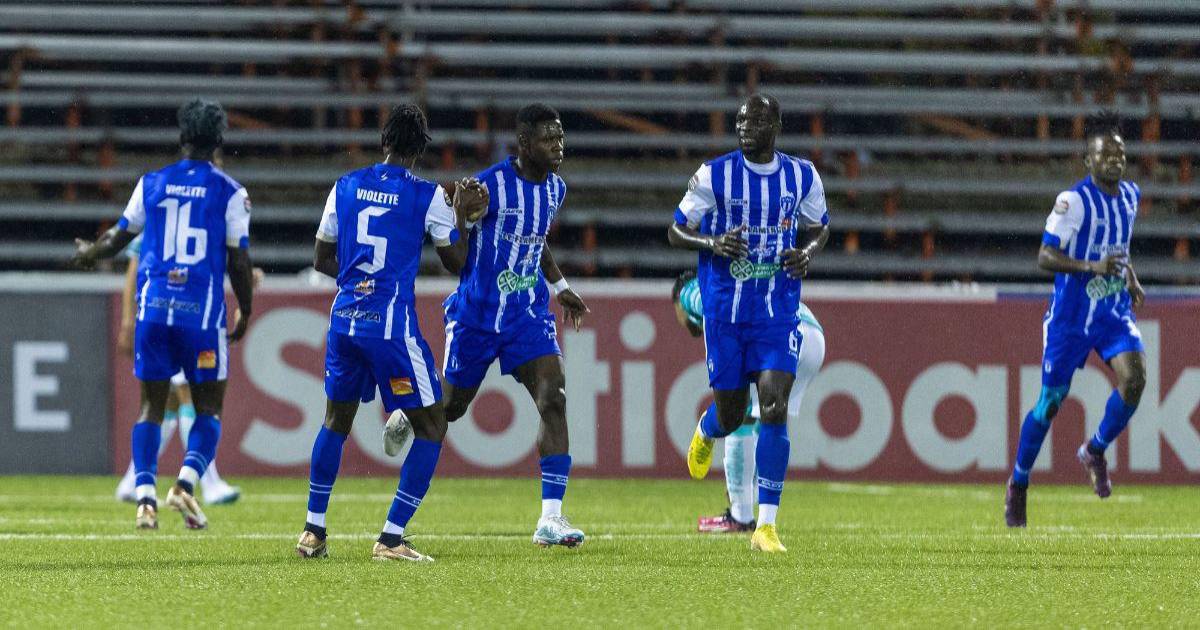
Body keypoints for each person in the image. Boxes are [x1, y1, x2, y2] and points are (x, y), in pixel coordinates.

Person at [295, 104, 488, 562]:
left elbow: (321, 258)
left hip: (344, 320)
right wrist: (463, 218)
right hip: (390, 326)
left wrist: (358, 282)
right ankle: (391, 537)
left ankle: (313, 531)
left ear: (383, 142)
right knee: (432, 426)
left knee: (334, 421)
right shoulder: (427, 195)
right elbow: (457, 263)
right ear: (420, 150)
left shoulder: (345, 185)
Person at [71, 99, 255, 530]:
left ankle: (145, 499)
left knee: (151, 408)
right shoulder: (231, 192)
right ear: (219, 139)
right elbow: (239, 260)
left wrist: (90, 253)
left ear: (182, 136)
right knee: (208, 408)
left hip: (154, 310)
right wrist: (245, 309)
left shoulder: (151, 183)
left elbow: (118, 237)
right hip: (200, 315)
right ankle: (186, 485)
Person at [667, 93, 829, 553]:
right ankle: (707, 429)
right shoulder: (714, 174)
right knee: (733, 414)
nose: (744, 127)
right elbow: (675, 229)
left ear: (775, 126)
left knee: (774, 406)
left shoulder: (802, 175)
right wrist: (712, 242)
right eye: (740, 120)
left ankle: (766, 526)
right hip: (725, 313)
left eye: (755, 120)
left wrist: (807, 251)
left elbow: (820, 226)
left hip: (776, 309)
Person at [439, 103, 589, 548]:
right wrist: (459, 215)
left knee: (553, 396)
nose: (558, 146)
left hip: (527, 314)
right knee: (449, 409)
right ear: (523, 143)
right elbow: (455, 255)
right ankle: (413, 414)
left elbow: (535, 239)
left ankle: (551, 519)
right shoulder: (488, 187)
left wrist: (560, 286)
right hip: (478, 315)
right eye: (548, 138)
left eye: (560, 137)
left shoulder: (556, 189)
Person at [1005, 111, 1147, 528]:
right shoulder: (1074, 202)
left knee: (1135, 379)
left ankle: (1095, 450)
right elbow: (1044, 256)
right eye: (1104, 154)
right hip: (1069, 319)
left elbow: (1119, 247)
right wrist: (1090, 267)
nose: (1114, 160)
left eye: (1119, 153)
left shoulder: (1131, 195)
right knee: (1050, 403)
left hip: (1112, 311)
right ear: (1088, 160)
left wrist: (1131, 278)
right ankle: (1019, 482)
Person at [672, 271, 825, 534]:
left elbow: (714, 308)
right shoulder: (739, 283)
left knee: (739, 414)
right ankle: (749, 504)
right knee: (764, 420)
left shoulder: (690, 292)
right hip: (812, 339)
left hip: (779, 332)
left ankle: (740, 513)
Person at [114, 234, 241, 505]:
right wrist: (127, 321)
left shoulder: (159, 214)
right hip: (180, 312)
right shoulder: (167, 217)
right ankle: (209, 483)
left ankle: (131, 480)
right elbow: (135, 267)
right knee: (190, 396)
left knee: (169, 402)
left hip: (165, 312)